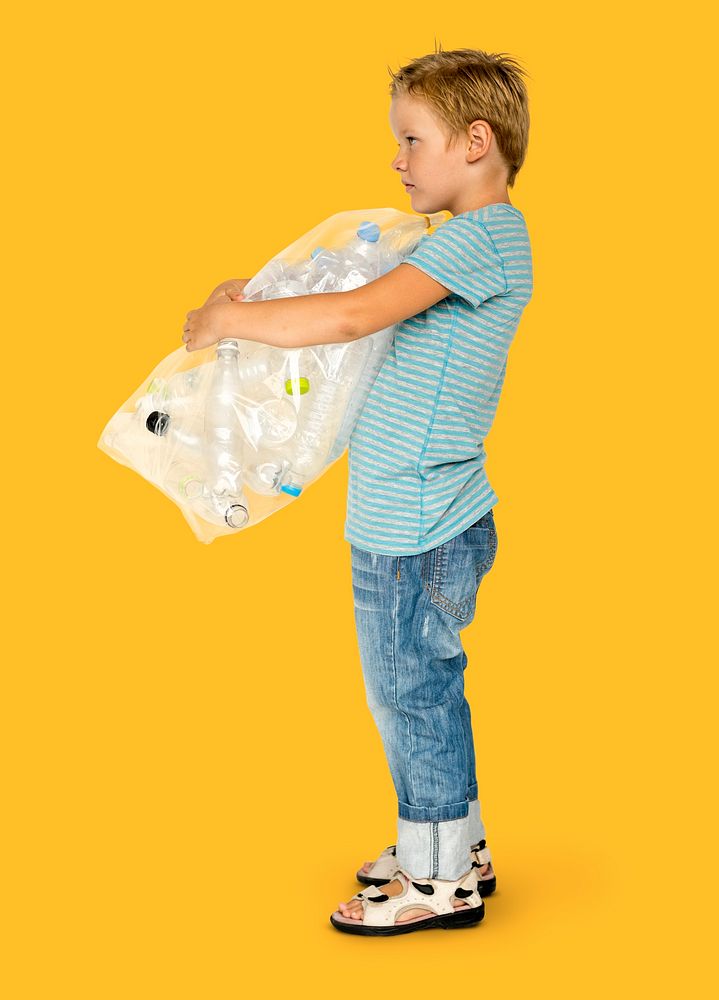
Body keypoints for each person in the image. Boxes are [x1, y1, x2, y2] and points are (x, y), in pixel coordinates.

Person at [181, 45, 533, 937]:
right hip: (417, 515)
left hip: (414, 526)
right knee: (423, 690)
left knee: (409, 695)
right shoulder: (461, 242)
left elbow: (351, 317)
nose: (397, 158)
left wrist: (228, 321)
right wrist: (254, 298)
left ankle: (435, 878)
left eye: (412, 139)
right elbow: (344, 297)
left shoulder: (483, 239)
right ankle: (458, 842)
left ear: (475, 142)